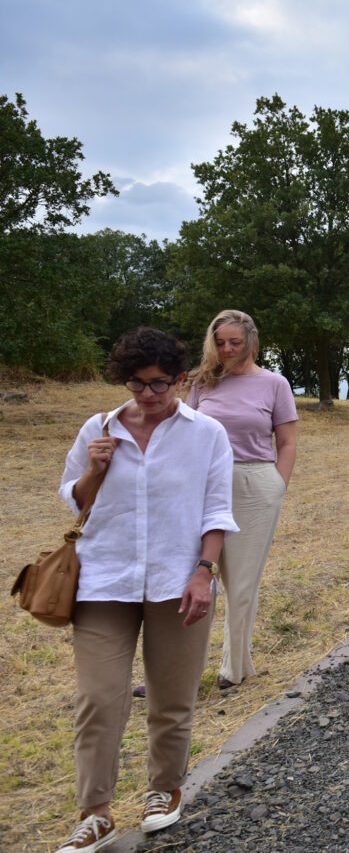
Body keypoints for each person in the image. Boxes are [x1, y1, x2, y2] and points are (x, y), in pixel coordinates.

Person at [55, 327, 237, 852]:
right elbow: (75, 501)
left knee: (171, 699)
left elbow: (216, 511)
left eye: (159, 384)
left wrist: (205, 572)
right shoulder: (100, 427)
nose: (148, 396)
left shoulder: (206, 434)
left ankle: (163, 789)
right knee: (99, 699)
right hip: (103, 581)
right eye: (136, 385)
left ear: (179, 378)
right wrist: (95, 468)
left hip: (178, 582)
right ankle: (95, 813)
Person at [185, 310, 297, 690]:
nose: (227, 349)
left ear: (251, 340)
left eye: (235, 341)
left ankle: (233, 667)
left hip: (254, 483)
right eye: (220, 342)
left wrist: (277, 485)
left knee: (241, 581)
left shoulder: (274, 384)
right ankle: (180, 670)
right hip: (203, 484)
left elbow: (287, 442)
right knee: (193, 574)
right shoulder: (202, 383)